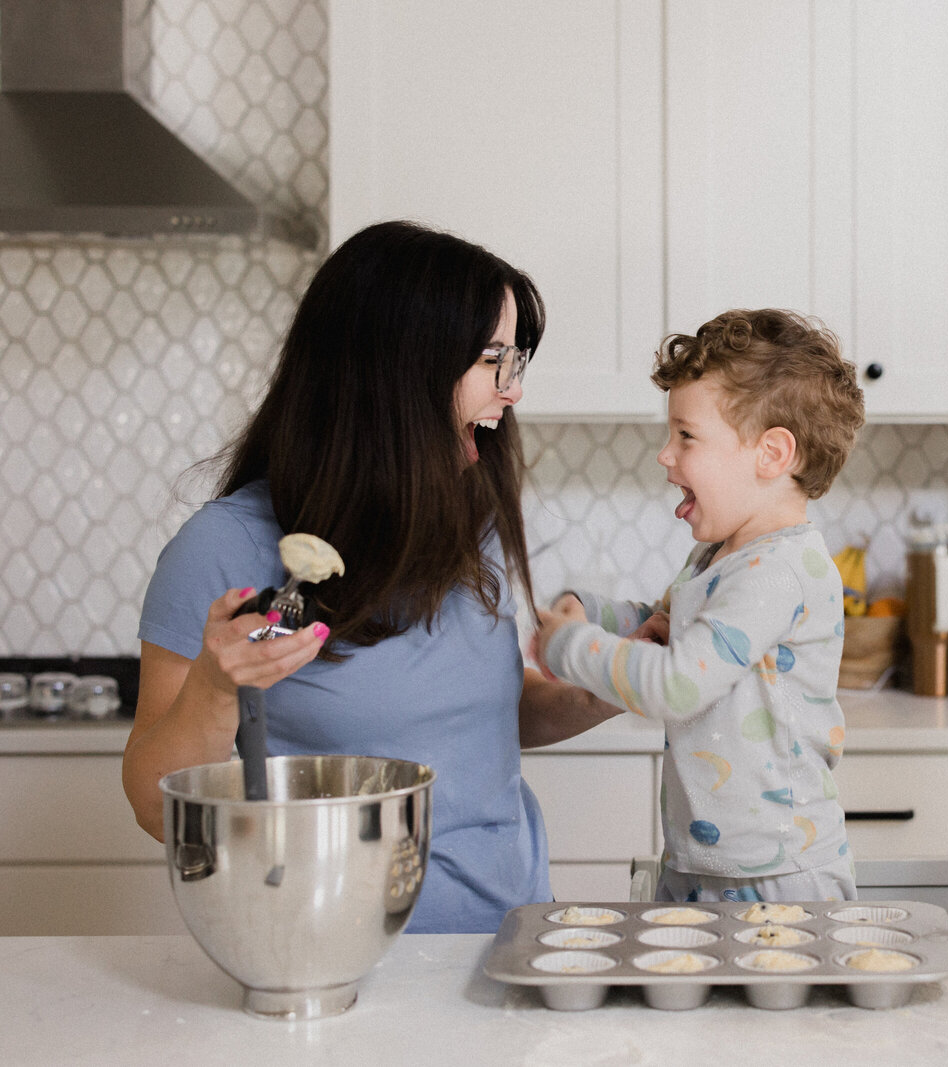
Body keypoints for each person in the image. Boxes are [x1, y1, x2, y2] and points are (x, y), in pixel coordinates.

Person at [123, 220, 620, 934]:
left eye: (517, 360)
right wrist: (215, 686)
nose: (511, 391)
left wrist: (620, 680)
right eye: (491, 359)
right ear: (395, 370)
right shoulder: (223, 547)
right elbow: (151, 802)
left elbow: (481, 724)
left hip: (513, 940)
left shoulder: (463, 519)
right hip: (339, 958)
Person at [534, 308, 866, 904]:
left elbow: (677, 683)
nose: (665, 455)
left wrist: (569, 645)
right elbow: (662, 623)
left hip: (777, 876)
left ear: (771, 454)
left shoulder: (778, 571)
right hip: (705, 862)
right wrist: (586, 608)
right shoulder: (722, 555)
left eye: (686, 436)